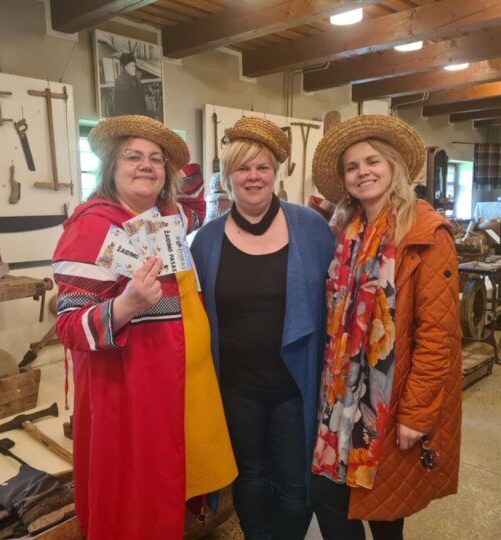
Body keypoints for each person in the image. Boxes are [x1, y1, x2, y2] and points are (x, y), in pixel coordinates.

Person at [52, 115, 237, 539]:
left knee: (166, 488)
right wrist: (126, 305)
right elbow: (69, 326)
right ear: (111, 167)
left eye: (156, 159)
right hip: (127, 394)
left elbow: (194, 206)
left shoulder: (164, 218)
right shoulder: (92, 226)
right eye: (132, 156)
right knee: (134, 496)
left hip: (175, 387)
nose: (146, 165)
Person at [310, 114, 462, 540]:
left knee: (385, 509)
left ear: (393, 166)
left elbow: (437, 335)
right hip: (340, 394)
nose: (363, 172)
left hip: (389, 399)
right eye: (352, 166)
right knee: (329, 496)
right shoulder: (347, 231)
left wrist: (417, 413)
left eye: (372, 161)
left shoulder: (426, 233)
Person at [190, 117, 335, 540]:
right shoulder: (206, 240)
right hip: (236, 388)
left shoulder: (310, 227)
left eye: (262, 167)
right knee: (250, 475)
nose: (253, 176)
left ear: (275, 172)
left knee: (294, 488)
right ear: (227, 175)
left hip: (294, 385)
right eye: (242, 168)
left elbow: (334, 301)